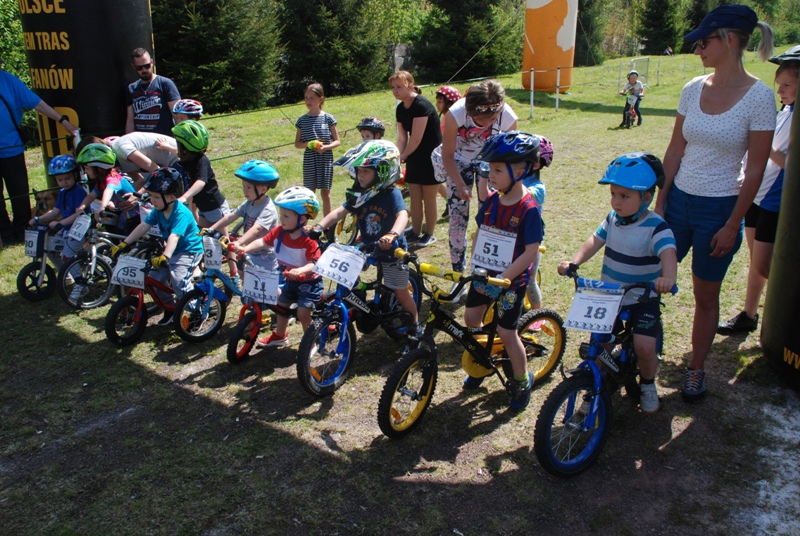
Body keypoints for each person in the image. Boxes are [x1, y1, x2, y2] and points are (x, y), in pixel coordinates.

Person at [654, 4, 775, 402]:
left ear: (730, 40)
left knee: (705, 296)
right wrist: (661, 203)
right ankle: (640, 354)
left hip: (720, 210)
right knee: (648, 279)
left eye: (704, 42)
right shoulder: (693, 88)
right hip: (677, 202)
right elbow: (675, 150)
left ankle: (695, 369)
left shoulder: (760, 97)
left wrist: (732, 224)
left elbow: (755, 170)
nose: (698, 50)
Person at [558, 153, 678, 414]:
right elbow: (594, 240)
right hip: (610, 296)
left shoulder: (656, 227)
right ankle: (593, 386)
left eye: (625, 196)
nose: (616, 201)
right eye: (613, 194)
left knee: (645, 346)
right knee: (600, 345)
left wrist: (668, 278)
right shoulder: (612, 219)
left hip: (642, 298)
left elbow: (668, 253)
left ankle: (647, 383)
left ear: (646, 197)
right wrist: (574, 262)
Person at [718, 46, 798, 335]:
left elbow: (790, 164)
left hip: (775, 201)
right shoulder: (785, 112)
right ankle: (749, 315)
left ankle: (785, 321)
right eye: (779, 85)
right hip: (756, 195)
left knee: (765, 266)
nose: (780, 91)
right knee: (756, 262)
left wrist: (765, 147)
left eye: (786, 85)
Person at [462, 131, 543, 412]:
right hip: (485, 275)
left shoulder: (529, 209)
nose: (490, 175)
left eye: (497, 170)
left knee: (508, 333)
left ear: (520, 172)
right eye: (489, 169)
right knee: (471, 318)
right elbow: (480, 233)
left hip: (510, 282)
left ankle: (521, 380)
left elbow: (530, 252)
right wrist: (475, 264)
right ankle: (483, 359)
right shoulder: (493, 201)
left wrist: (505, 276)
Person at [313, 140, 418, 331]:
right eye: (358, 170)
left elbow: (402, 215)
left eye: (365, 171)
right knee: (345, 276)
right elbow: (339, 212)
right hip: (367, 247)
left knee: (401, 293)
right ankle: (356, 303)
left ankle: (415, 328)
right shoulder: (360, 195)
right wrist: (319, 227)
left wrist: (392, 234)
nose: (360, 175)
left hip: (392, 250)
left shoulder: (391, 194)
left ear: (383, 172)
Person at [431, 79, 518, 273]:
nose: (486, 123)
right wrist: (460, 184)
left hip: (491, 162)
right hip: (458, 160)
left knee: (491, 215)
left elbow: (509, 155)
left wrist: (500, 182)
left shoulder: (508, 117)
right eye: (480, 120)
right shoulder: (456, 113)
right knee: (457, 219)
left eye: (491, 119)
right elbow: (447, 155)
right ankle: (458, 271)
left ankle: (485, 267)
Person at [110, 167, 203, 326]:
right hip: (171, 251)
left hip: (189, 251)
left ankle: (197, 312)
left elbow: (174, 236)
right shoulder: (159, 210)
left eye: (156, 197)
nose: (152, 200)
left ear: (171, 197)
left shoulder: (180, 213)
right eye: (151, 196)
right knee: (155, 280)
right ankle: (171, 309)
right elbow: (143, 226)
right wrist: (125, 243)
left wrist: (165, 256)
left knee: (179, 283)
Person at [1, 53, 78, 244]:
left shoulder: (8, 81)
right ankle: (5, 234)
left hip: (11, 148)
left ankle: (21, 231)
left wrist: (62, 121)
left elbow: (38, 104)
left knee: (19, 192)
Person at [237, 187, 322, 347]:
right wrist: (245, 248)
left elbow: (315, 263)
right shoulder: (280, 232)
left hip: (309, 282)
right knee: (280, 306)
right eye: (281, 214)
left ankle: (311, 340)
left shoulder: (309, 240)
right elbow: (263, 241)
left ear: (302, 219)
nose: (281, 219)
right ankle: (280, 335)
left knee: (303, 313)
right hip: (290, 280)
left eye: (286, 216)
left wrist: (301, 270)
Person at [390, 71, 442, 247]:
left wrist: (405, 155)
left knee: (429, 199)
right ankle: (415, 232)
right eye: (393, 87)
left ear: (410, 86)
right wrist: (397, 156)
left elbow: (417, 138)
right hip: (414, 156)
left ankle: (429, 234)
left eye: (399, 87)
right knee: (414, 197)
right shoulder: (400, 109)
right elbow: (402, 138)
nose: (395, 91)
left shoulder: (421, 105)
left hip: (431, 156)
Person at [211, 160, 280, 289]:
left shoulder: (267, 209)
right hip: (249, 252)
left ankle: (280, 298)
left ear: (263, 189)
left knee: (268, 289)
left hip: (264, 255)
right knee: (244, 278)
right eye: (243, 186)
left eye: (248, 187)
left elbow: (256, 229)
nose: (245, 190)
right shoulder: (249, 202)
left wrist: (238, 243)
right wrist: (211, 228)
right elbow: (231, 216)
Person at [27, 155, 87, 275]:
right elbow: (55, 211)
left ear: (75, 175)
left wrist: (60, 223)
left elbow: (78, 215)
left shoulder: (79, 192)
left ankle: (79, 280)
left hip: (79, 229)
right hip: (66, 229)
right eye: (60, 180)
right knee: (50, 249)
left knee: (67, 254)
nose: (64, 182)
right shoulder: (62, 193)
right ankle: (65, 274)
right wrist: (38, 219)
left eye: (67, 178)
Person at [294, 82, 340, 218]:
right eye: (306, 98)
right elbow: (297, 144)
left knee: (325, 193)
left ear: (321, 99)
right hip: (310, 159)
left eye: (312, 98)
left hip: (325, 159)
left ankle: (327, 225)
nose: (308, 101)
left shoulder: (328, 118)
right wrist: (309, 144)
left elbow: (337, 141)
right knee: (309, 193)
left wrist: (325, 147)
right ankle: (304, 223)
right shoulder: (302, 120)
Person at [521, 135, 554, 312]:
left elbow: (525, 196)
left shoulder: (538, 187)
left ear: (535, 164)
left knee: (529, 280)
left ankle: (536, 313)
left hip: (530, 239)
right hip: (509, 236)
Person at [125, 48, 181, 135]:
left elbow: (178, 116)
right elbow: (130, 120)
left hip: (163, 138)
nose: (144, 70)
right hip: (141, 139)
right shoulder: (131, 88)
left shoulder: (165, 84)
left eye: (147, 66)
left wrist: (179, 139)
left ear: (152, 62)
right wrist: (128, 138)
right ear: (134, 66)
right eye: (139, 68)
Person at [111, 132, 179, 189]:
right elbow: (140, 180)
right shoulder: (120, 159)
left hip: (177, 155)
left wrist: (139, 194)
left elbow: (158, 172)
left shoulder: (124, 151)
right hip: (165, 165)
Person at [434, 85, 462, 218]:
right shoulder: (446, 117)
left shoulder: (450, 118)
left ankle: (451, 203)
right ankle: (449, 201)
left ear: (450, 103)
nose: (437, 104)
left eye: (440, 101)